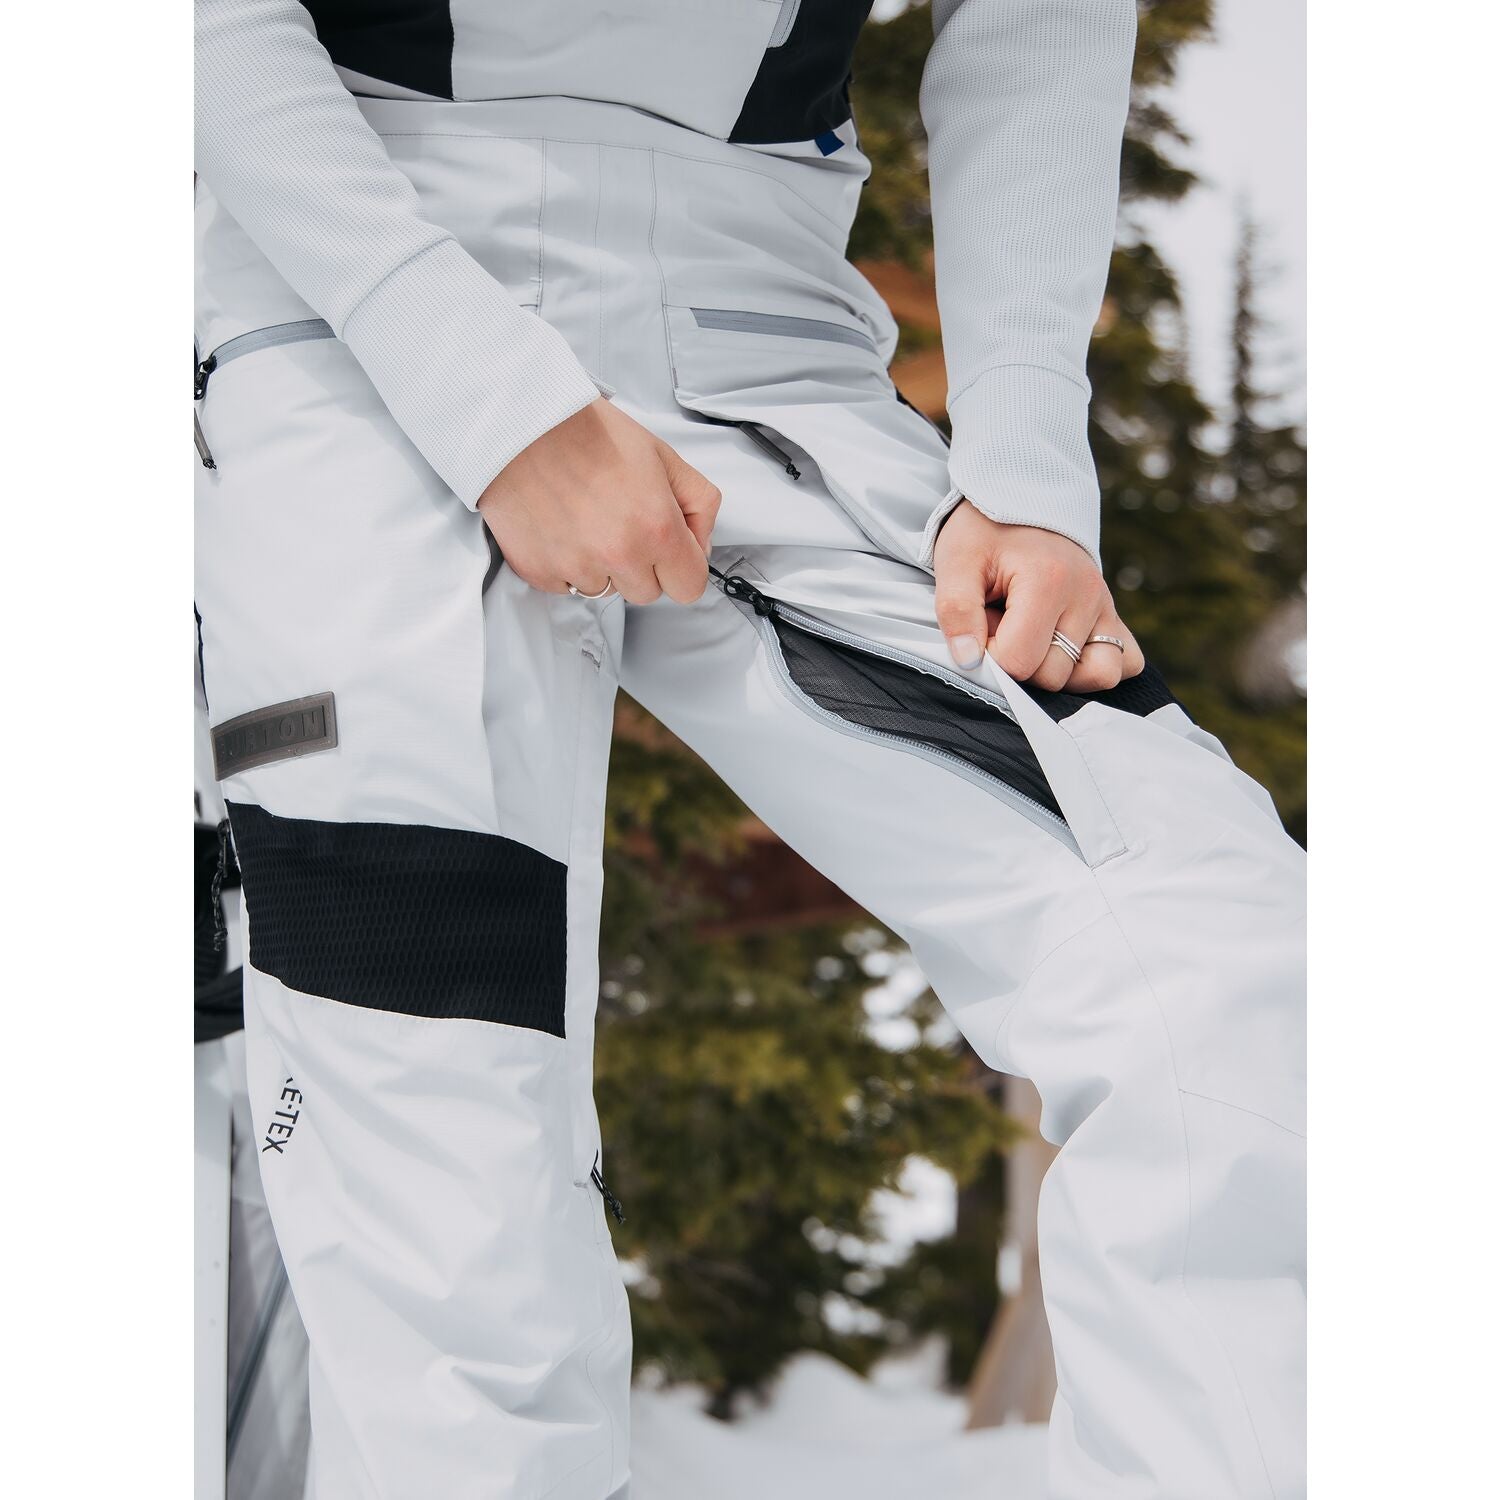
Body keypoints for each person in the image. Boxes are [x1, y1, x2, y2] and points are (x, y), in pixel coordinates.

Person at [193, 3, 1306, 1497]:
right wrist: (486, 391)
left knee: (1214, 961)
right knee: (444, 1143)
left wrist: (1028, 471)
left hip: (764, 326)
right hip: (352, 290)